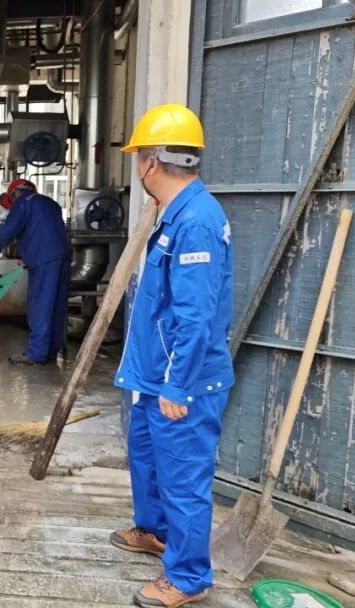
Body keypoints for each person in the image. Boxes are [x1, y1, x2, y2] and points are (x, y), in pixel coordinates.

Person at [109, 103, 234, 608]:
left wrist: (178, 384)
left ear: (152, 162)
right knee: (147, 457)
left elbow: (196, 316)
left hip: (181, 380)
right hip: (152, 373)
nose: (137, 165)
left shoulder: (197, 221)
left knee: (183, 479)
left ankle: (187, 577)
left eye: (138, 156)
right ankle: (154, 531)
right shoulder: (175, 212)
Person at [0, 179, 70, 364]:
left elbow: (11, 227)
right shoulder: (50, 203)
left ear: (15, 193)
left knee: (41, 306)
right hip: (63, 257)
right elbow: (42, 230)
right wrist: (27, 253)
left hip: (44, 259)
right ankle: (52, 350)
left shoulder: (23, 203)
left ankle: (36, 354)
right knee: (57, 306)